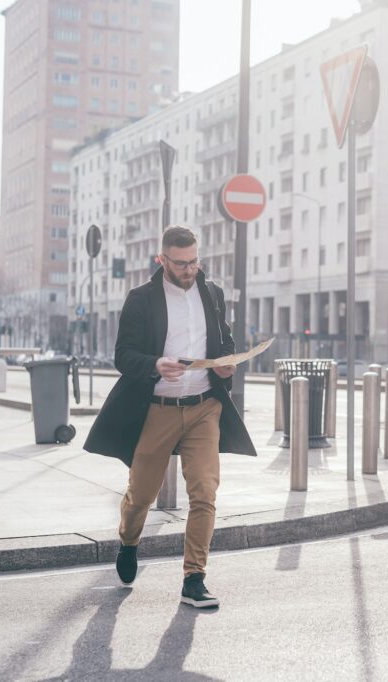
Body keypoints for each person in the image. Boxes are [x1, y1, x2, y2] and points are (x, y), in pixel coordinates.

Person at [84, 225, 257, 608]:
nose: (189, 269)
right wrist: (155, 365)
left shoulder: (212, 294)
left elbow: (224, 342)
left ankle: (194, 578)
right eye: (181, 263)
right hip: (156, 409)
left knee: (204, 492)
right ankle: (129, 542)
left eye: (194, 261)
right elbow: (123, 355)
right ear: (162, 260)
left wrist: (227, 365)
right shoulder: (141, 299)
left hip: (204, 407)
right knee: (141, 495)